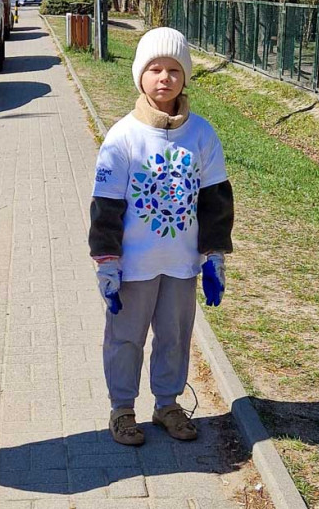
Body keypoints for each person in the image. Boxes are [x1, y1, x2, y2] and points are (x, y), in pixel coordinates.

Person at [88, 27, 234, 446]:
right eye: (155, 69)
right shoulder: (123, 138)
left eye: (173, 69)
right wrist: (107, 263)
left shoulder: (202, 135)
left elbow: (215, 201)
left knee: (174, 336)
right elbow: (105, 209)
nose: (164, 78)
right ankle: (122, 409)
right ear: (140, 75)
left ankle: (167, 403)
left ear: (185, 77)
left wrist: (213, 256)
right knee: (126, 339)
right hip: (133, 266)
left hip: (180, 265)